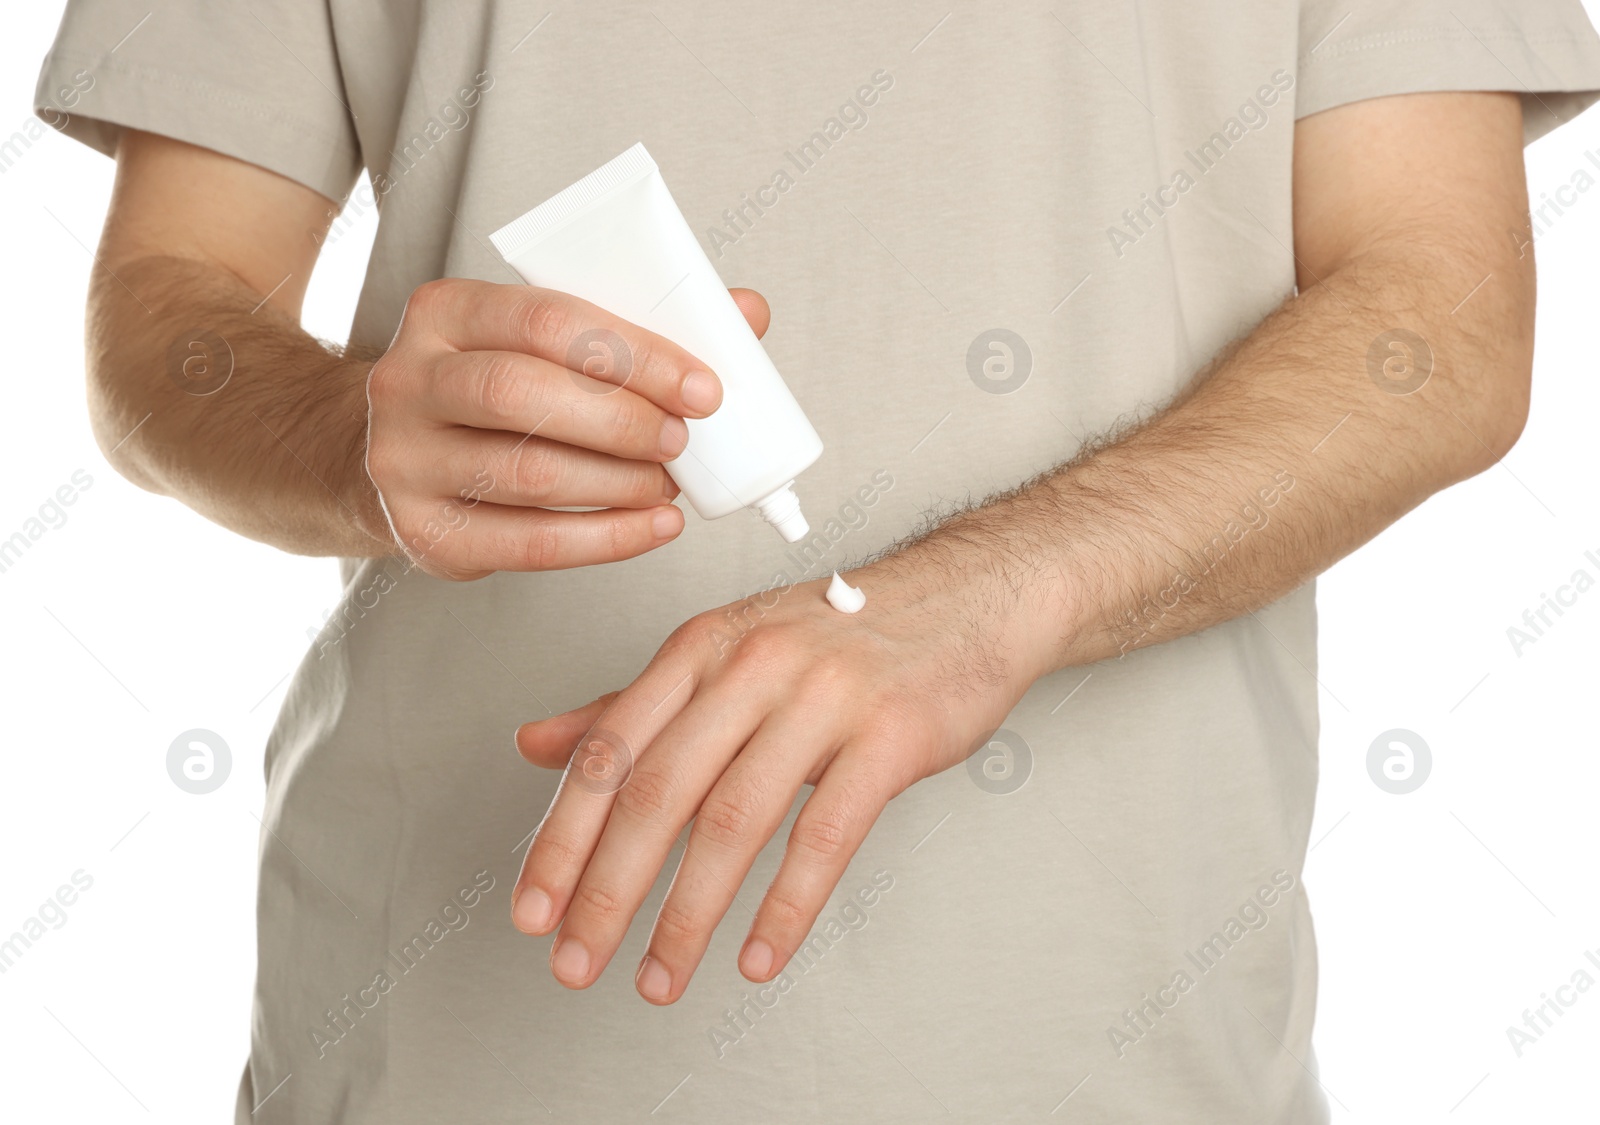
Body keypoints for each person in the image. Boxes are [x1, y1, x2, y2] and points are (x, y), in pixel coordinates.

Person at [37, 1, 1600, 1120]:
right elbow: (169, 307)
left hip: (1122, 1055)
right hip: (449, 1055)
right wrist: (352, 431)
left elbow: (1436, 322)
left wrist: (992, 596)